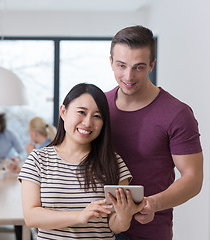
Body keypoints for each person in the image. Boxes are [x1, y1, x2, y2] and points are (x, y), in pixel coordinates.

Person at [106, 25, 203, 240]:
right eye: (121, 65)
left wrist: (153, 203)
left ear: (152, 65)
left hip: (149, 233)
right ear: (111, 62)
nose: (128, 76)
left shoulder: (177, 113)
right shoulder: (98, 108)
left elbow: (193, 178)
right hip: (96, 231)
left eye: (139, 67)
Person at [18, 83, 145, 239]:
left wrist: (125, 215)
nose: (87, 123)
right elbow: (31, 217)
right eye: (81, 112)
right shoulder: (38, 160)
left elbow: (116, 226)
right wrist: (80, 216)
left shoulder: (114, 162)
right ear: (63, 112)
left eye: (97, 116)